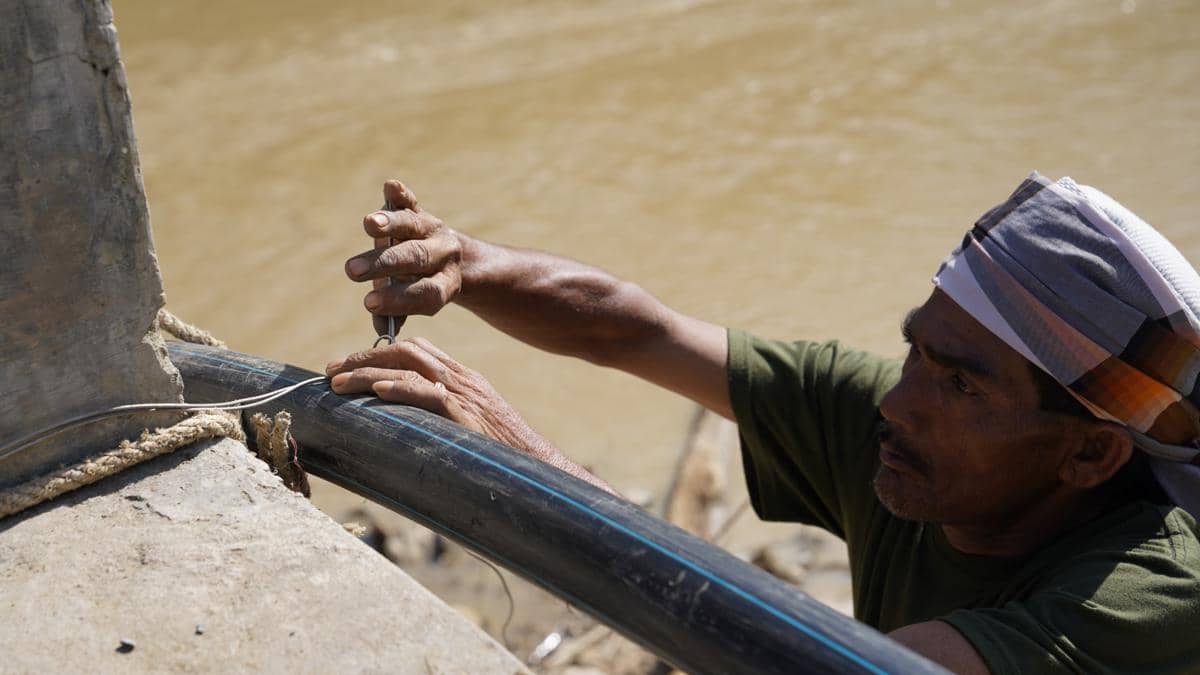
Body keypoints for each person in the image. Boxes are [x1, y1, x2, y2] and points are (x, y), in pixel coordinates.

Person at [325, 173, 1200, 673]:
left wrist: (520, 455)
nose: (898, 403)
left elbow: (832, 666)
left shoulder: (1147, 592)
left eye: (963, 387)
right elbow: (635, 329)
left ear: (1090, 451)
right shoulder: (908, 431)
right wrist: (470, 264)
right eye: (915, 354)